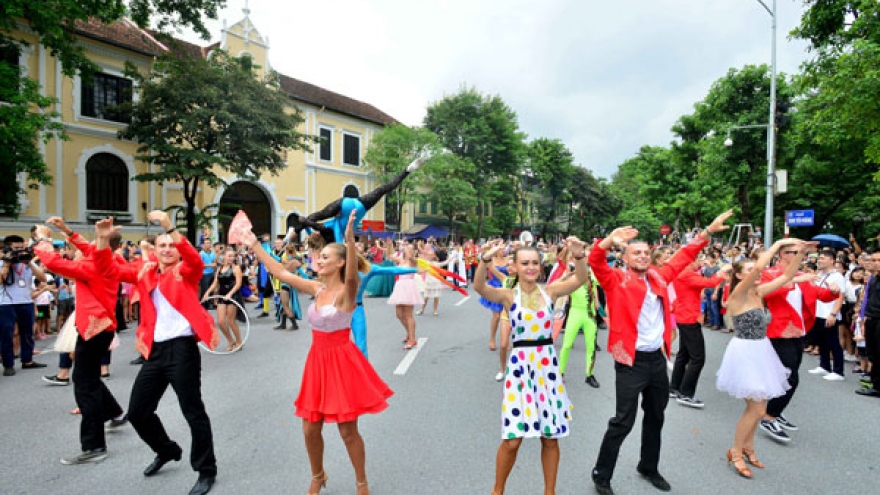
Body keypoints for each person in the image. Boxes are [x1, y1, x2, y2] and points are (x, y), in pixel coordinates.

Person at [242, 211, 392, 495]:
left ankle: (362, 483)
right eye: (318, 256)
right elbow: (281, 272)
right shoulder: (316, 287)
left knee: (347, 431)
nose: (318, 260)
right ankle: (318, 475)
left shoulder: (347, 293)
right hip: (317, 363)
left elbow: (350, 281)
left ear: (340, 263)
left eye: (325, 257)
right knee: (310, 428)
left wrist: (348, 239)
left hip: (342, 363)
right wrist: (255, 245)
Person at [588, 209, 733, 495]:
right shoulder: (616, 280)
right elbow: (595, 261)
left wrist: (708, 232)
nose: (642, 255)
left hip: (657, 360)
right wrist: (607, 241)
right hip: (630, 361)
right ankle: (601, 475)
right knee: (622, 422)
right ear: (626, 258)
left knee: (656, 417)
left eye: (646, 251)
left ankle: (648, 467)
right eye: (636, 252)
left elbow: (683, 256)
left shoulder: (660, 276)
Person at [474, 237, 588, 495]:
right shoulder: (507, 295)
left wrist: (580, 257)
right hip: (520, 368)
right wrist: (484, 260)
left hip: (547, 368)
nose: (531, 267)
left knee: (550, 437)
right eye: (525, 263)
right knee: (513, 440)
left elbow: (579, 280)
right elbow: (479, 286)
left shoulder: (551, 291)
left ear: (541, 266)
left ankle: (550, 491)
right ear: (514, 266)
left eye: (535, 263)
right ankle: (497, 490)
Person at [118, 210, 220, 495]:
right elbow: (107, 269)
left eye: (171, 245)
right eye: (161, 245)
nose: (166, 249)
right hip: (155, 352)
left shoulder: (186, 273)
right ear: (154, 250)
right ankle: (166, 450)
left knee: (193, 411)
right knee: (138, 412)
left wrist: (169, 226)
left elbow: (195, 260)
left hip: (182, 350)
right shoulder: (146, 273)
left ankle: (206, 470)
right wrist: (97, 240)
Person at [33, 218, 130, 464]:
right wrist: (67, 230)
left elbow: (52, 262)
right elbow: (89, 248)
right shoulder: (106, 259)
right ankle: (115, 413)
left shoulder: (92, 266)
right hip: (98, 327)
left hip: (94, 329)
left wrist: (43, 239)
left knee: (84, 384)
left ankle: (95, 446)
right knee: (88, 378)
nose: (78, 252)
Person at [717, 239, 812, 478]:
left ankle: (748, 447)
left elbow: (788, 275)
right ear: (739, 275)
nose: (755, 273)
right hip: (745, 353)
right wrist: (780, 243)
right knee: (758, 409)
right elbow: (760, 268)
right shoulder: (737, 294)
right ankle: (736, 451)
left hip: (761, 350)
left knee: (756, 407)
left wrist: (801, 253)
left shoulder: (759, 292)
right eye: (748, 270)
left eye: (753, 269)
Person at [758, 244, 840, 443]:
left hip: (799, 331)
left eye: (799, 253)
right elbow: (766, 294)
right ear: (781, 255)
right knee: (790, 377)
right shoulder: (771, 274)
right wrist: (793, 279)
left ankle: (776, 410)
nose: (797, 256)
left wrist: (833, 291)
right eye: (792, 253)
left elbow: (820, 295)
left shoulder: (803, 275)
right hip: (779, 331)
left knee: (789, 374)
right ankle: (769, 416)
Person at [669, 257, 728, 408]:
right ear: (690, 262)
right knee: (697, 358)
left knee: (684, 355)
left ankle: (675, 387)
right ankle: (686, 393)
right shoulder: (688, 275)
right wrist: (723, 270)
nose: (701, 263)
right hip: (689, 317)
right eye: (697, 260)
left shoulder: (682, 273)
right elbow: (710, 283)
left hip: (684, 315)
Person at [0, 235, 48, 375]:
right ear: (8, 248)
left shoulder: (26, 262)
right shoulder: (2, 263)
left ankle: (27, 360)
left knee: (27, 332)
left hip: (26, 302)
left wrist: (30, 264)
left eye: (21, 248)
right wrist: (7, 264)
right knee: (6, 334)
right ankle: (8, 364)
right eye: (16, 249)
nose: (19, 251)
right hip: (6, 304)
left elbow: (43, 278)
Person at [201, 247, 244, 352]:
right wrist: (207, 293)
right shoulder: (219, 269)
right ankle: (230, 341)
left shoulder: (236, 268)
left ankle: (239, 341)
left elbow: (238, 284)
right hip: (222, 295)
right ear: (224, 256)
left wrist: (230, 294)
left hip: (232, 295)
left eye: (233, 256)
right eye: (229, 256)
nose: (231, 258)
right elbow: (215, 283)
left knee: (230, 320)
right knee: (220, 321)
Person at [387, 242, 422, 350]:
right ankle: (408, 332)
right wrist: (389, 245)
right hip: (399, 286)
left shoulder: (413, 261)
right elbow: (389, 255)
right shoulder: (401, 260)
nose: (407, 250)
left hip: (408, 286)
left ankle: (412, 339)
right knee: (398, 314)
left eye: (411, 249)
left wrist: (405, 245)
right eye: (408, 249)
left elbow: (410, 256)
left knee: (408, 314)